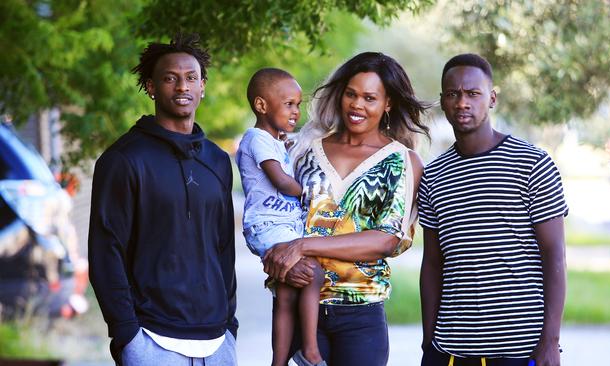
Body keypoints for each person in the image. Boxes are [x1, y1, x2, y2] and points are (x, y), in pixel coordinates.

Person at [263, 52, 430, 366]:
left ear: (388, 103)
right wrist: (271, 255)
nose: (357, 105)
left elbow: (387, 239)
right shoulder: (301, 149)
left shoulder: (403, 161)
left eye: (370, 98)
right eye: (351, 94)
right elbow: (269, 211)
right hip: (298, 308)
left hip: (361, 315)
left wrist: (303, 245)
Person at [88, 34, 238, 365]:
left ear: (203, 86)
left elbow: (224, 246)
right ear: (151, 86)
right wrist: (126, 333)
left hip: (217, 342)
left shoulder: (216, 160)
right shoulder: (124, 159)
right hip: (152, 339)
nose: (182, 87)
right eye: (170, 78)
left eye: (190, 78)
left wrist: (230, 324)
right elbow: (106, 250)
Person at [418, 53, 568, 366]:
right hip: (451, 348)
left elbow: (555, 255)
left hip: (520, 347)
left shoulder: (532, 164)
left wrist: (550, 342)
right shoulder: (433, 175)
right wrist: (428, 342)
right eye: (453, 94)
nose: (462, 103)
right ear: (442, 101)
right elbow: (432, 263)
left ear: (492, 98)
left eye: (473, 94)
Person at [236, 67, 326, 366]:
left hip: (281, 224)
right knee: (313, 275)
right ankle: (310, 350)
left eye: (298, 105)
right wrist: (309, 194)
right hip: (268, 224)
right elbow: (280, 180)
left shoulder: (276, 140)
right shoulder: (257, 138)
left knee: (286, 295)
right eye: (289, 104)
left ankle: (280, 361)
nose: (296, 112)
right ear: (262, 106)